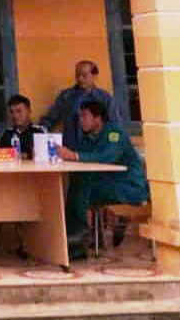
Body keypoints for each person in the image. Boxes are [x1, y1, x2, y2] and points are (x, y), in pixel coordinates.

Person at [57, 100, 148, 261]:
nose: (81, 120)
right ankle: (75, 240)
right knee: (76, 186)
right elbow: (81, 155)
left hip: (129, 187)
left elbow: (107, 157)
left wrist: (74, 156)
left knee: (82, 190)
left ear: (97, 118)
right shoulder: (88, 138)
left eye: (85, 116)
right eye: (80, 117)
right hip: (107, 185)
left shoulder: (114, 134)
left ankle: (79, 241)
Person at [41, 60, 126, 147]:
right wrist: (40, 130)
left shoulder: (105, 98)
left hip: (96, 149)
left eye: (84, 75)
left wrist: (112, 147)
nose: (80, 79)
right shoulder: (66, 96)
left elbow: (115, 125)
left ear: (94, 76)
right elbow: (51, 118)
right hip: (70, 149)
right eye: (77, 75)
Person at [0, 94, 46, 159]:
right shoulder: (7, 134)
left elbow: (43, 156)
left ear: (29, 111)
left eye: (19, 111)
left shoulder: (39, 132)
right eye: (11, 112)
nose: (15, 116)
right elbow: (2, 157)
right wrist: (27, 155)